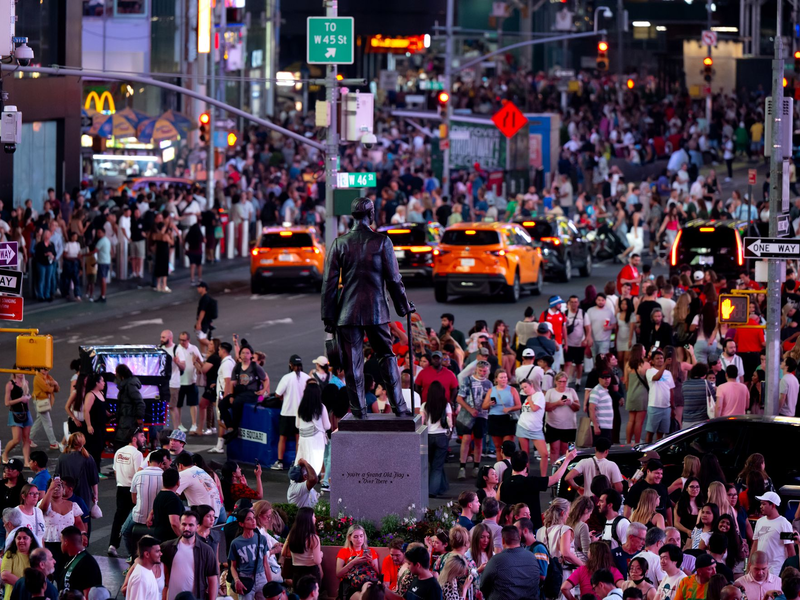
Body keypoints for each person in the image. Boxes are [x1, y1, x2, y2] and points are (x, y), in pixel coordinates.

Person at [322, 197, 414, 419]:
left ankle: (359, 411)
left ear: (352, 216)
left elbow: (329, 284)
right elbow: (393, 280)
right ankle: (400, 407)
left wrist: (329, 317)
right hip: (376, 311)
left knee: (353, 364)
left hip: (348, 312)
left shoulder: (339, 243)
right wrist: (403, 307)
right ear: (371, 214)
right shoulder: (382, 242)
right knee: (387, 356)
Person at [498, 448, 576, 530]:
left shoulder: (503, 485)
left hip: (511, 529)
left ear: (512, 464)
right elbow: (555, 478)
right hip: (532, 528)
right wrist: (567, 459)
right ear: (527, 464)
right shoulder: (532, 482)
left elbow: (498, 505)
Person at [160, 511, 219, 600]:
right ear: (179, 525)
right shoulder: (167, 547)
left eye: (191, 525)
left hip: (197, 597)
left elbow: (213, 579)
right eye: (184, 524)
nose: (186, 528)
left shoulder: (206, 550)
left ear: (197, 527)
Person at [108, 428, 145, 557]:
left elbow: (115, 471)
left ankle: (113, 545)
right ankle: (135, 550)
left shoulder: (119, 452)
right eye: (141, 436)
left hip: (121, 487)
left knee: (119, 517)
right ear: (134, 439)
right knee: (137, 519)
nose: (144, 439)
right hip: (132, 490)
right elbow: (138, 474)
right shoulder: (137, 454)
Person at [270, 355, 310, 470]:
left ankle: (280, 462)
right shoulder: (307, 377)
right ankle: (298, 463)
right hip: (301, 414)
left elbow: (277, 394)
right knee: (299, 439)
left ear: (290, 365)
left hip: (287, 413)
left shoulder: (286, 378)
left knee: (282, 438)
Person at [479, 526, 539, 600]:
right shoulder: (532, 557)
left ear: (503, 540)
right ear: (519, 538)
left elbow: (483, 586)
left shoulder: (496, 560)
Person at [455, 360, 492, 480]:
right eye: (480, 370)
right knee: (466, 439)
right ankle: (462, 467)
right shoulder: (468, 380)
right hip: (468, 414)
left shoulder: (489, 384)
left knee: (479, 440)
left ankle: (476, 466)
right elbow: (459, 398)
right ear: (476, 369)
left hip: (482, 415)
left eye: (484, 371)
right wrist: (470, 409)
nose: (482, 373)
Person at [228, 509, 271, 600]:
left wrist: (270, 584)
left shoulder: (261, 538)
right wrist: (237, 580)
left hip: (261, 577)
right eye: (249, 519)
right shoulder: (236, 543)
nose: (253, 521)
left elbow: (265, 564)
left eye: (253, 518)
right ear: (241, 524)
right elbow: (233, 566)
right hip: (245, 579)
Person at [54, 434, 99, 517]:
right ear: (82, 443)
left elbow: (56, 477)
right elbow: (94, 480)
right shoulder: (88, 458)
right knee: (84, 519)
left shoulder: (62, 457)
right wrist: (95, 495)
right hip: (84, 493)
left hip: (66, 493)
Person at [751, 491, 795, 574]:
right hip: (759, 568)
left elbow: (790, 547)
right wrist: (750, 564)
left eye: (764, 504)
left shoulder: (784, 524)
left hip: (776, 569)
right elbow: (755, 543)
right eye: (761, 504)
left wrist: (792, 570)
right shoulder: (759, 521)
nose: (761, 506)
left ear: (773, 505)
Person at [482, 370, 521, 460]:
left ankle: (508, 468)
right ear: (496, 379)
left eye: (505, 377)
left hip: (508, 419)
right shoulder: (492, 390)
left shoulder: (512, 390)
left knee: (508, 447)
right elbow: (484, 406)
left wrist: (510, 408)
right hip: (494, 419)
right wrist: (489, 404)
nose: (504, 379)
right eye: (501, 377)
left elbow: (519, 405)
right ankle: (500, 468)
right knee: (498, 447)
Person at [515, 374, 549, 476]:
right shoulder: (526, 398)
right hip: (522, 427)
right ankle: (526, 475)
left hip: (536, 429)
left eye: (526, 387)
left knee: (544, 454)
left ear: (531, 385)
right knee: (525, 454)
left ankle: (543, 477)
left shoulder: (539, 395)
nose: (524, 390)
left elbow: (535, 409)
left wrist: (529, 400)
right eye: (522, 388)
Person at [174, 452, 222, 518]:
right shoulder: (200, 470)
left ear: (180, 465)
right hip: (215, 514)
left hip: (203, 515)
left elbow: (172, 493)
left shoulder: (184, 474)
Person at [544, 371, 580, 460]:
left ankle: (567, 470)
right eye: (560, 381)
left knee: (568, 451)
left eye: (564, 381)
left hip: (570, 427)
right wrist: (557, 403)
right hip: (553, 426)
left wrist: (570, 403)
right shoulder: (550, 392)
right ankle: (554, 469)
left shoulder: (571, 391)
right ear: (555, 382)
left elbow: (577, 408)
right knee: (554, 450)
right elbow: (546, 407)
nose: (562, 384)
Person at [56, 526, 101, 595]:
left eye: (61, 542)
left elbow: (89, 593)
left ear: (66, 542)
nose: (60, 545)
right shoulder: (70, 558)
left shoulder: (88, 564)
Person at [625, 460, 672, 526]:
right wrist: (626, 524)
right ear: (648, 471)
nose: (660, 476)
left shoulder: (663, 488)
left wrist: (671, 526)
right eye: (657, 473)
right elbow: (627, 506)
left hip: (661, 526)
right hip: (642, 527)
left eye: (661, 473)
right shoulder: (637, 487)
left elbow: (668, 507)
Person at [645, 350, 674, 443]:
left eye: (661, 358)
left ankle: (658, 452)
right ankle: (646, 451)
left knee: (661, 433)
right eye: (657, 358)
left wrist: (672, 406)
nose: (660, 360)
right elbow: (656, 378)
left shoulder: (668, 373)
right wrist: (665, 365)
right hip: (654, 406)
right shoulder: (649, 371)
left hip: (666, 407)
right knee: (650, 432)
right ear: (652, 361)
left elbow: (671, 389)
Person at [81, 374, 108, 475]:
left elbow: (101, 408)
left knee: (100, 447)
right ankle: (93, 471)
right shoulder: (91, 395)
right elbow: (86, 410)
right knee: (94, 449)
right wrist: (89, 425)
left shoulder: (101, 393)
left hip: (101, 426)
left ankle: (96, 470)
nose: (104, 383)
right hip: (93, 427)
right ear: (97, 383)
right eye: (102, 381)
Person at [4, 373, 32, 467]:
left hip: (26, 413)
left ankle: (26, 462)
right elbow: (7, 403)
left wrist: (27, 399)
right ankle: (5, 453)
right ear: (14, 372)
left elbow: (26, 400)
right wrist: (21, 399)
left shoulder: (26, 383)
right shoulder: (10, 385)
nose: (21, 373)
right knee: (16, 439)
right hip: (15, 413)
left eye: (23, 370)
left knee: (26, 439)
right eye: (19, 370)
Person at [1, 527, 38, 599]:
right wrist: (26, 587)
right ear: (15, 540)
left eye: (25, 538)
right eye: (19, 538)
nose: (21, 541)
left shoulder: (37, 556)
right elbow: (5, 575)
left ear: (31, 540)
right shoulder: (9, 554)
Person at [31, 368, 59, 451]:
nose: (45, 370)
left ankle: (28, 439)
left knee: (39, 421)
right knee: (48, 423)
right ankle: (53, 443)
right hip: (41, 402)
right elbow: (47, 389)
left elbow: (57, 389)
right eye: (43, 368)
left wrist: (55, 384)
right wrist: (53, 384)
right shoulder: (38, 377)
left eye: (47, 369)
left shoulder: (48, 377)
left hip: (44, 402)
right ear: (39, 369)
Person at [126, 536, 163, 600]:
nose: (161, 554)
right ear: (147, 554)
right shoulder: (140, 578)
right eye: (157, 551)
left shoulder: (147, 571)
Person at [588, 370, 614, 441]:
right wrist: (596, 426)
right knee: (600, 450)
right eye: (604, 378)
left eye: (608, 378)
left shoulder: (604, 390)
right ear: (599, 379)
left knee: (607, 450)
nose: (607, 380)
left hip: (607, 426)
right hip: (601, 427)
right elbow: (591, 408)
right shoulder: (596, 391)